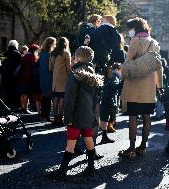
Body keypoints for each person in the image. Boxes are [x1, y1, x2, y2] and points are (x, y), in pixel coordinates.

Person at [119, 17, 163, 160]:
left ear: (135, 28)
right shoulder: (155, 43)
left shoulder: (135, 41)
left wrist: (121, 78)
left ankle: (131, 150)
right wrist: (159, 86)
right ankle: (143, 148)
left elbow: (128, 63)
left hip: (134, 86)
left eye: (130, 29)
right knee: (146, 117)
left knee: (133, 117)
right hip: (149, 88)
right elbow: (159, 66)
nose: (129, 32)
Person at [57, 46, 103, 179]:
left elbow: (70, 98)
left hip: (75, 115)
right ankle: (91, 167)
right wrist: (94, 116)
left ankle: (62, 171)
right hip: (88, 114)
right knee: (89, 140)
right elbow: (95, 100)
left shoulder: (74, 74)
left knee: (71, 143)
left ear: (77, 58)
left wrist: (68, 116)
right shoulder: (93, 75)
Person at [49, 37, 71, 125]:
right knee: (62, 99)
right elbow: (69, 69)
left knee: (55, 99)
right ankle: (60, 118)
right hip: (64, 79)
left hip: (55, 79)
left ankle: (54, 118)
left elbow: (50, 68)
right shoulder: (66, 53)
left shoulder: (52, 53)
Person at [99, 62, 122, 143]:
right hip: (110, 101)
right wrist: (122, 82)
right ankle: (103, 136)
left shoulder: (103, 75)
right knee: (107, 118)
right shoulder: (114, 76)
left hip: (103, 100)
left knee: (104, 119)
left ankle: (104, 136)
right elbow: (114, 86)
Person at [18, 44, 41, 114]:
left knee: (22, 94)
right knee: (26, 94)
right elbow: (33, 68)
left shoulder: (25, 56)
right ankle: (25, 108)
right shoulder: (31, 57)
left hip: (22, 77)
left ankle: (22, 107)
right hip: (28, 77)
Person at [39, 37, 57, 121]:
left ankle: (43, 114)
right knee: (48, 97)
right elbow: (51, 67)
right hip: (49, 77)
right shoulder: (50, 54)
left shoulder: (41, 53)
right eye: (54, 43)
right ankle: (47, 116)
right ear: (50, 44)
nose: (55, 45)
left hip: (42, 77)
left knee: (44, 97)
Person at [1, 40, 22, 110]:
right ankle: (14, 106)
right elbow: (20, 65)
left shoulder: (5, 53)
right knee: (14, 91)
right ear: (16, 46)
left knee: (6, 91)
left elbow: (2, 62)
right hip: (15, 76)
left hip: (5, 75)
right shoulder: (18, 54)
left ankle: (6, 105)